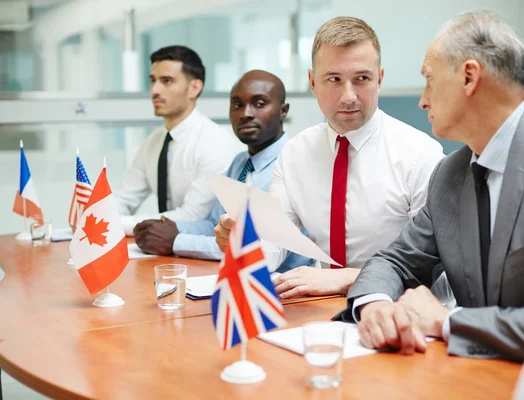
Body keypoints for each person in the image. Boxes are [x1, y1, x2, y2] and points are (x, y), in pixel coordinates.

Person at [335, 10, 524, 361]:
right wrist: (376, 306)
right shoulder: (449, 174)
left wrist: (446, 322)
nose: (423, 100)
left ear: (469, 77)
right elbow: (393, 261)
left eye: (430, 80)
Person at [214, 17, 445, 299]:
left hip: (397, 308)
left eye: (361, 78)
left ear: (380, 79)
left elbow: (433, 270)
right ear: (312, 82)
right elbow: (274, 245)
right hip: (318, 308)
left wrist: (348, 278)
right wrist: (243, 244)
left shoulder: (421, 154)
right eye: (333, 79)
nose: (348, 97)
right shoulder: (294, 154)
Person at [134, 70, 312, 273]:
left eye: (259, 104)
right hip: (235, 279)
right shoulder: (240, 162)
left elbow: (255, 246)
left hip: (286, 289)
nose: (246, 113)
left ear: (283, 111)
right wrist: (169, 227)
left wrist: (176, 240)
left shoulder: (293, 164)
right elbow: (215, 224)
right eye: (237, 105)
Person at [115, 45, 240, 235]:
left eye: (166, 81)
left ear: (194, 88)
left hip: (202, 251)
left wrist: (113, 224)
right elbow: (125, 198)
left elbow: (192, 217)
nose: (155, 90)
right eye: (153, 81)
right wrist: (97, 216)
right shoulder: (154, 142)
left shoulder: (216, 142)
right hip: (163, 250)